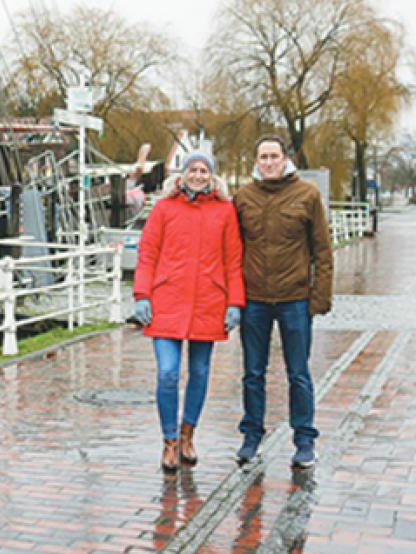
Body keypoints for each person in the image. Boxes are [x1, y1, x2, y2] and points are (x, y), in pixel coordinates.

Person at [133, 152, 245, 473]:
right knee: (168, 372)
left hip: (208, 303)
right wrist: (142, 295)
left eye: (204, 170)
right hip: (167, 301)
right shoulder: (164, 209)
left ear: (211, 176)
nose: (198, 175)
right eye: (193, 170)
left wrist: (234, 302)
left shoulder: (224, 211)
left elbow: (233, 260)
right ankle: (168, 440)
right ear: (182, 176)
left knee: (200, 373)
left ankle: (187, 435)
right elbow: (147, 253)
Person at [233, 136, 332, 469]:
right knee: (252, 373)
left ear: (285, 159)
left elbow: (322, 250)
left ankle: (304, 440)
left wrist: (318, 298)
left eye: (274, 156)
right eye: (263, 156)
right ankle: (251, 436)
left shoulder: (307, 195)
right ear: (256, 161)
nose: (269, 162)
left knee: (299, 373)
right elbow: (232, 250)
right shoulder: (244, 197)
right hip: (254, 299)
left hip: (295, 299)